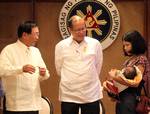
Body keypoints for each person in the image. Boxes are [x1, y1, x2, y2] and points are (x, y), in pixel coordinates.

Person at [55, 15, 103, 114]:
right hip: (69, 94)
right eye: (77, 30)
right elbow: (59, 69)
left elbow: (98, 66)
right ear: (70, 30)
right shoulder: (61, 46)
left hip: (91, 93)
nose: (81, 32)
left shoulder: (95, 44)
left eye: (83, 28)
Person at [0, 21, 50, 114]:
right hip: (16, 105)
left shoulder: (36, 51)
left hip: (33, 103)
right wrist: (21, 69)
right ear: (24, 35)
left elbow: (45, 74)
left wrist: (43, 73)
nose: (37, 38)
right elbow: (2, 70)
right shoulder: (9, 50)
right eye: (35, 34)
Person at [107, 30, 150, 114]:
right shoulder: (130, 60)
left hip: (131, 99)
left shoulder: (141, 59)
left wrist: (114, 77)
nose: (125, 48)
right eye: (124, 45)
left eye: (127, 45)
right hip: (124, 99)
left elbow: (136, 82)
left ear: (136, 44)